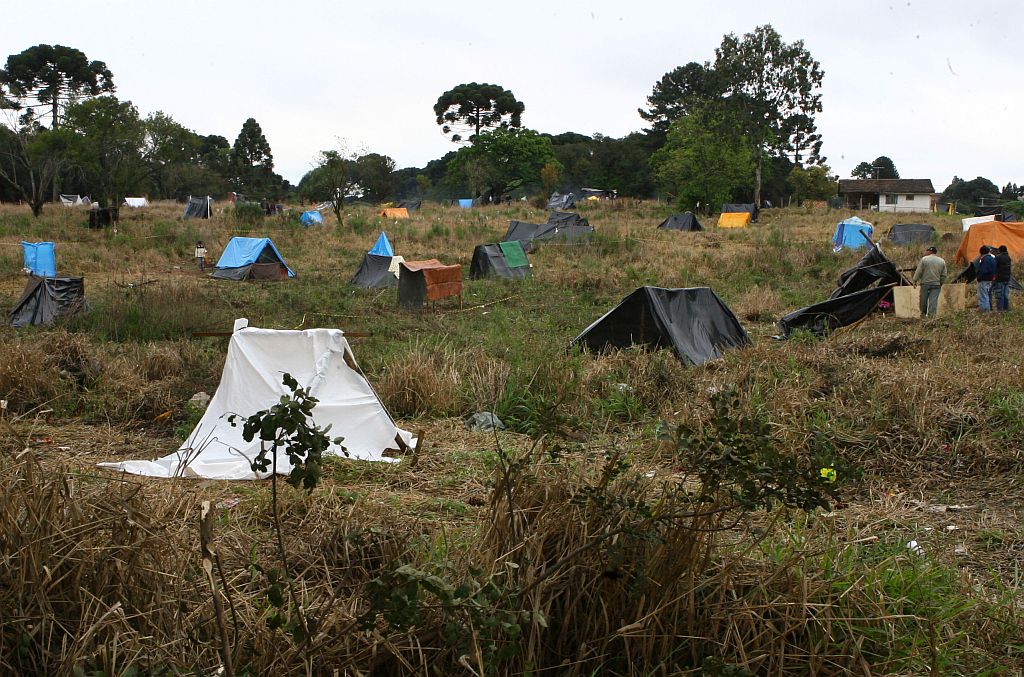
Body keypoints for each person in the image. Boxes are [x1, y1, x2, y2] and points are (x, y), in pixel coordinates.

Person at [911, 245, 947, 318]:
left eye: (927, 250)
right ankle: (932, 317)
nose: (927, 252)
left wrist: (915, 280)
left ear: (930, 251)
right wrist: (941, 283)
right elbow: (944, 275)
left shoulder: (924, 259)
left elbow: (919, 271)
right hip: (936, 285)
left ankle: (923, 315)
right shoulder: (942, 261)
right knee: (933, 302)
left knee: (923, 300)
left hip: (925, 284)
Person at [975, 245, 996, 312]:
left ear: (981, 252)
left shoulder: (984, 259)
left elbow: (983, 270)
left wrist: (978, 278)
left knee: (983, 296)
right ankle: (988, 310)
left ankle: (984, 311)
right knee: (987, 295)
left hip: (984, 280)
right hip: (990, 280)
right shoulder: (992, 258)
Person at [993, 245, 1012, 311]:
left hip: (1000, 279)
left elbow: (994, 267)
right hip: (1007, 278)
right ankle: (1006, 309)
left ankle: (1000, 310)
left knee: (999, 295)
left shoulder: (998, 257)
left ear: (1000, 250)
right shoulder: (1008, 257)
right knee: (1006, 295)